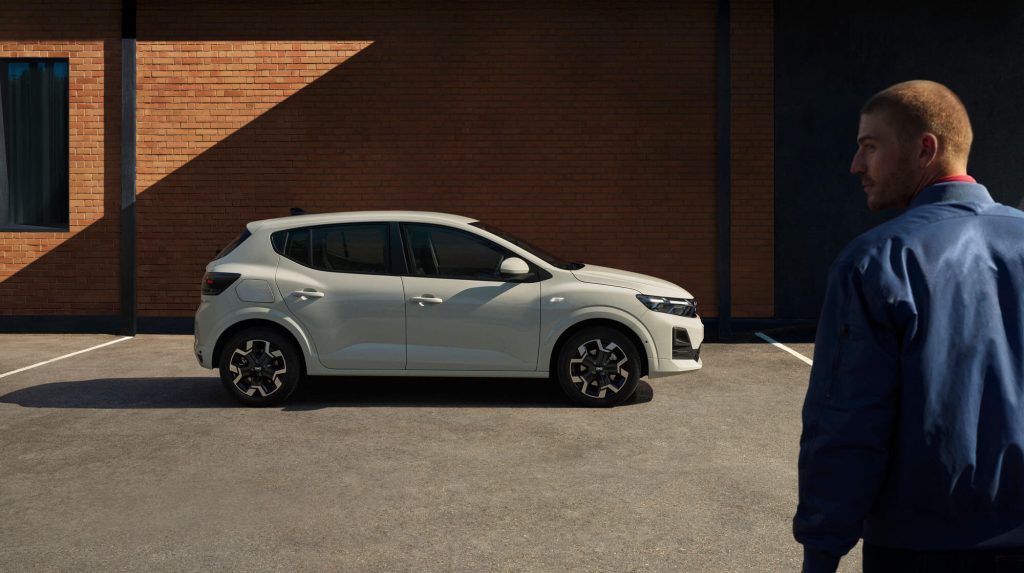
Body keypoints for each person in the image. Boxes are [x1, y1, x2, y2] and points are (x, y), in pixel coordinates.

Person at [793, 80, 1024, 572]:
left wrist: (821, 551)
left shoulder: (876, 261)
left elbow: (847, 424)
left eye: (870, 147)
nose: (856, 165)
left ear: (925, 149)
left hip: (922, 550)